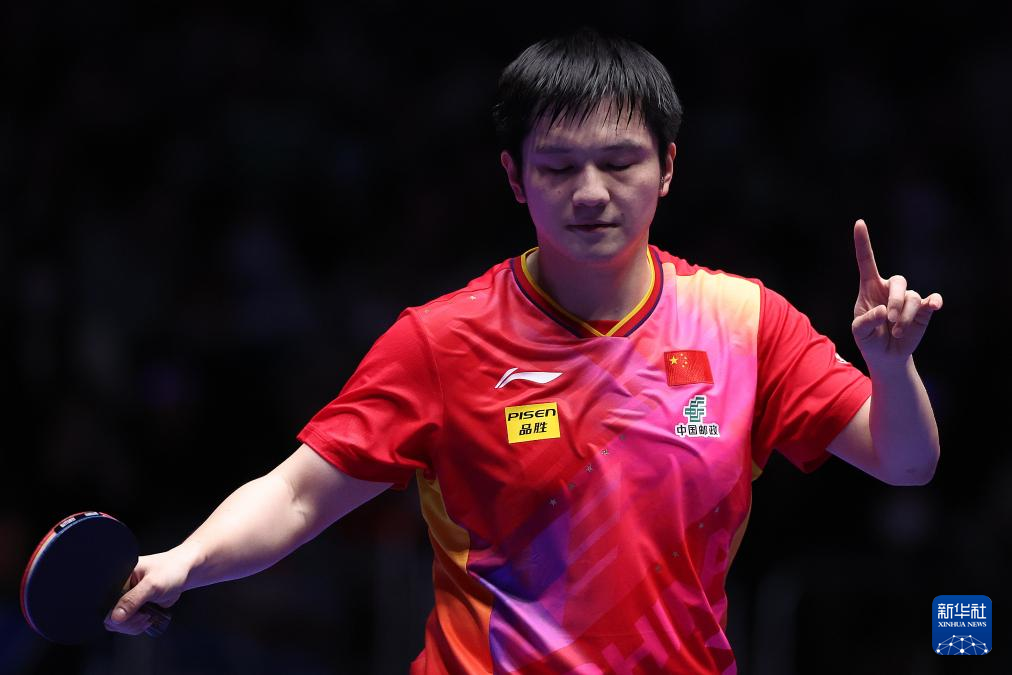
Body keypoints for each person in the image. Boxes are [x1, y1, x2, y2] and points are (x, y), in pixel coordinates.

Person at [105, 26, 942, 674]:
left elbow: (906, 461)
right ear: (515, 176)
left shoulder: (744, 322)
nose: (591, 193)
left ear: (667, 167)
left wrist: (892, 367)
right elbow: (296, 493)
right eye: (558, 166)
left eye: (619, 162)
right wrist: (187, 560)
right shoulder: (442, 341)